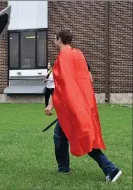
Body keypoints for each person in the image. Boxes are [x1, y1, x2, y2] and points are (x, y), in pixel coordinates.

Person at [45, 29, 122, 182]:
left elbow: (62, 86)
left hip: (72, 106)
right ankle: (63, 168)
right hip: (82, 103)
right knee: (60, 135)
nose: (54, 41)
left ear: (59, 39)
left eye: (54, 38)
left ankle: (111, 169)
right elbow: (89, 78)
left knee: (83, 136)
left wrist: (52, 104)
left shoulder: (62, 58)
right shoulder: (78, 54)